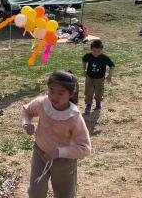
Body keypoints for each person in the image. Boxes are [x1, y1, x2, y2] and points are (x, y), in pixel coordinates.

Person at [21, 70, 91, 198]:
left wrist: (59, 152)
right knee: (36, 193)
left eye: (60, 93)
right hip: (40, 154)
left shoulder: (74, 117)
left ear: (71, 93)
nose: (54, 96)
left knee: (64, 195)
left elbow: (85, 148)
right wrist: (26, 123)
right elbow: (27, 110)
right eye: (51, 91)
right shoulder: (43, 103)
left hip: (65, 162)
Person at [82, 40, 115, 115]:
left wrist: (110, 75)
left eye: (99, 51)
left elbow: (111, 66)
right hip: (89, 78)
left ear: (102, 50)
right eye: (94, 51)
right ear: (91, 50)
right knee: (88, 92)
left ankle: (98, 103)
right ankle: (88, 105)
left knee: (99, 92)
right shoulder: (88, 56)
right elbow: (84, 60)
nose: (96, 53)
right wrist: (84, 69)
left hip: (100, 79)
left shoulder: (104, 58)